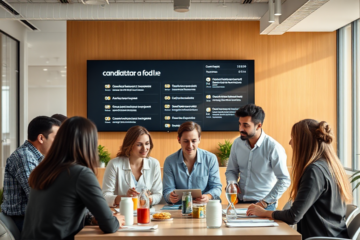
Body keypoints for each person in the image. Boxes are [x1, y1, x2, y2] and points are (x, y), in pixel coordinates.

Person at [21, 117, 124, 240]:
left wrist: (91, 219)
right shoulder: (80, 173)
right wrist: (116, 220)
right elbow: (110, 225)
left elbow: (60, 212)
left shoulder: (42, 170)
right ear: (89, 144)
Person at [247, 119, 352, 239]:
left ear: (303, 142)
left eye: (293, 138)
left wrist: (264, 213)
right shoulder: (330, 165)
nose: (290, 142)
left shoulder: (314, 171)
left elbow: (293, 216)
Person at [225, 104, 290, 210]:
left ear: (258, 126)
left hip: (264, 204)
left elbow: (284, 179)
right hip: (240, 201)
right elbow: (231, 170)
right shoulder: (237, 143)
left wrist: (265, 202)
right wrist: (232, 183)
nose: (241, 129)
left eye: (246, 125)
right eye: (240, 124)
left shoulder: (273, 147)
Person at [1, 116, 61, 231]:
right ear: (41, 138)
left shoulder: (38, 158)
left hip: (32, 218)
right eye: (56, 138)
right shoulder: (24, 156)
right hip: (21, 221)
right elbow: (38, 195)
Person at [163, 121, 222, 204]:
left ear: (199, 139)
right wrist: (170, 196)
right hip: (179, 209)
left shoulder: (210, 159)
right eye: (186, 141)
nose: (190, 145)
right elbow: (167, 190)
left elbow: (216, 187)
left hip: (203, 208)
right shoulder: (170, 161)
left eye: (193, 141)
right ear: (179, 140)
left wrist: (208, 196)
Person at [102, 126, 162, 206]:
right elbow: (105, 197)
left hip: (146, 212)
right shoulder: (114, 164)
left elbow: (158, 194)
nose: (145, 148)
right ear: (129, 145)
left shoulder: (154, 164)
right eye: (139, 145)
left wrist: (146, 198)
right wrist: (126, 198)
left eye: (147, 144)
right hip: (122, 213)